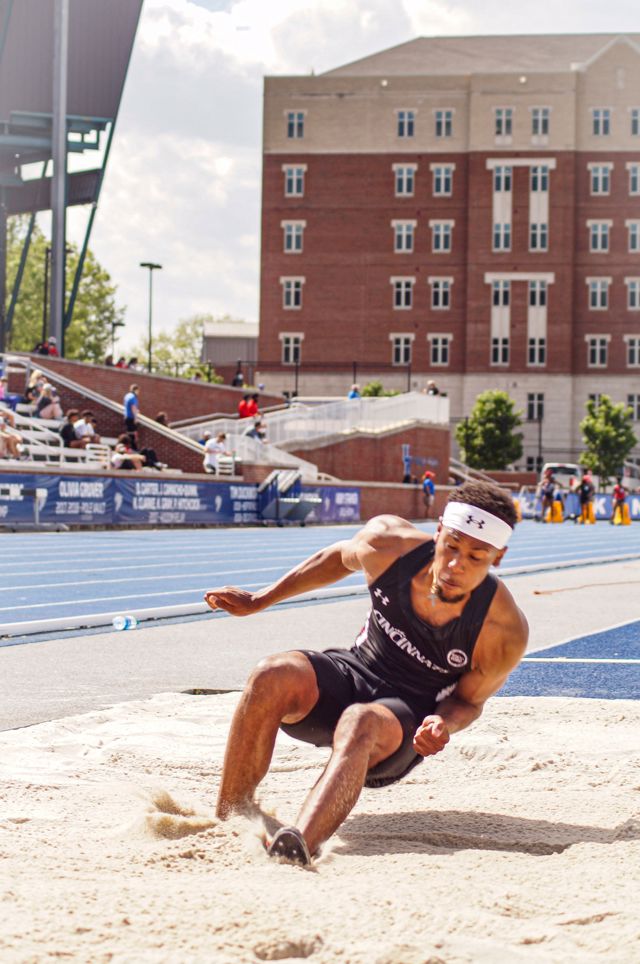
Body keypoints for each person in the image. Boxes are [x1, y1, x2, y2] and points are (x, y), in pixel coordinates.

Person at [204, 480, 528, 866]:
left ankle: (298, 846)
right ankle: (230, 816)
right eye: (452, 546)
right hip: (354, 672)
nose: (456, 565)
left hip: (400, 725)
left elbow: (468, 701)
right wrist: (260, 599)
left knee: (361, 720)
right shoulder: (388, 544)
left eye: (476, 557)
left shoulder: (502, 630)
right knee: (271, 673)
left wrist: (442, 725)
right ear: (438, 531)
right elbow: (338, 558)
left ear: (498, 557)